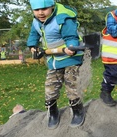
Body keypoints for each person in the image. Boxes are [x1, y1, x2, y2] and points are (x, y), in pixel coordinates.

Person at [27, 0, 85, 129]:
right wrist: (32, 45)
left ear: (52, 7)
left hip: (71, 57)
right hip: (53, 59)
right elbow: (33, 34)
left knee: (72, 83)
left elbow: (71, 35)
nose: (40, 13)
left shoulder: (63, 17)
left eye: (44, 9)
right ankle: (52, 112)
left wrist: (72, 46)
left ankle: (77, 110)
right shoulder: (36, 21)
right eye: (36, 10)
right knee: (50, 86)